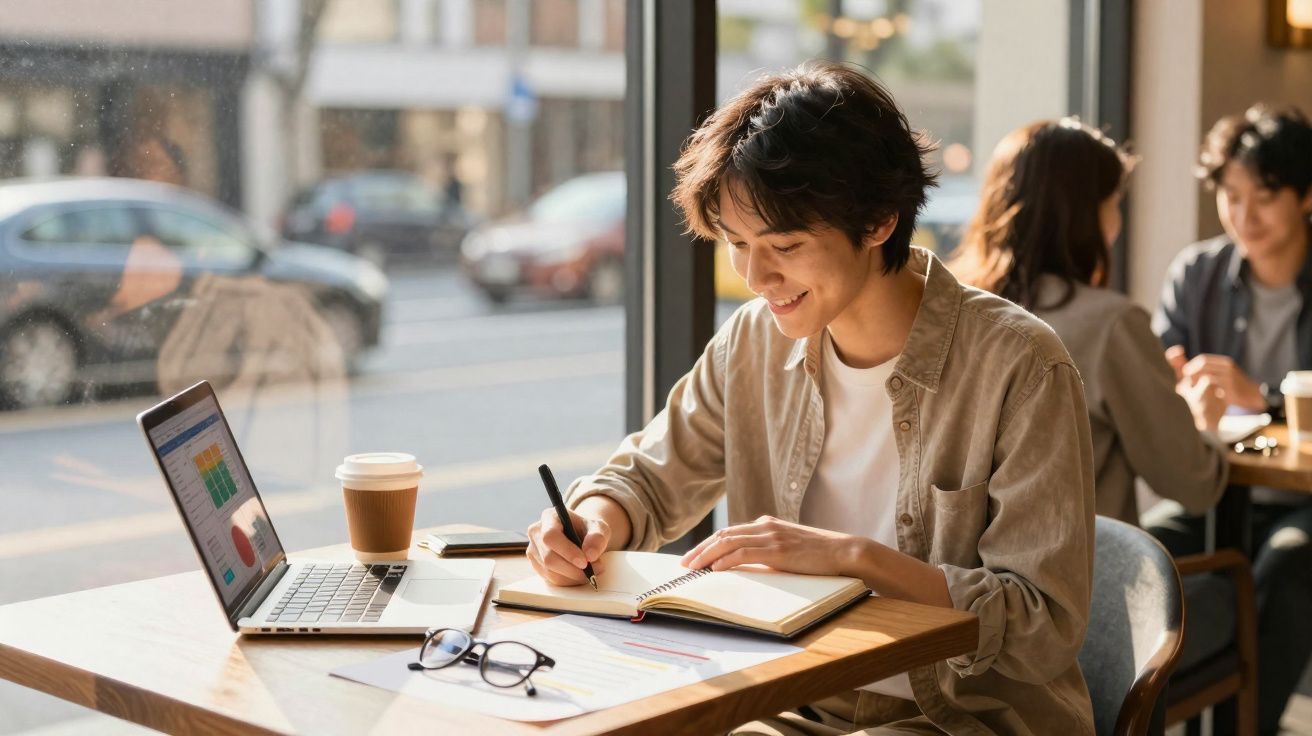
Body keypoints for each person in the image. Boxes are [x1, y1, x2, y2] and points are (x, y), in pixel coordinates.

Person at [525, 61, 1097, 735]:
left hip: (963, 719)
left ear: (880, 219)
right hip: (798, 701)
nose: (755, 276)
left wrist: (855, 560)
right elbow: (648, 478)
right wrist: (593, 519)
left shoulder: (1020, 365)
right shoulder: (753, 342)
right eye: (737, 244)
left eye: (785, 245)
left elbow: (1042, 625)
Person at [948, 118, 1234, 673]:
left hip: (958, 615)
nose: (1118, 223)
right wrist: (1204, 421)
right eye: (1114, 204)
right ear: (1089, 214)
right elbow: (1193, 484)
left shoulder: (954, 312)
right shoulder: (1111, 324)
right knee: (1234, 590)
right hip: (1078, 622)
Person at [1149, 104, 1312, 735]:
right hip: (1219, 487)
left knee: (1291, 565)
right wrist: (1176, 391)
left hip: (1300, 500)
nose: (1245, 216)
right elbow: (1166, 384)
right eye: (1230, 196)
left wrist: (1262, 397)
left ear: (1305, 196)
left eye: (1264, 197)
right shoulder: (1197, 274)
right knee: (1141, 550)